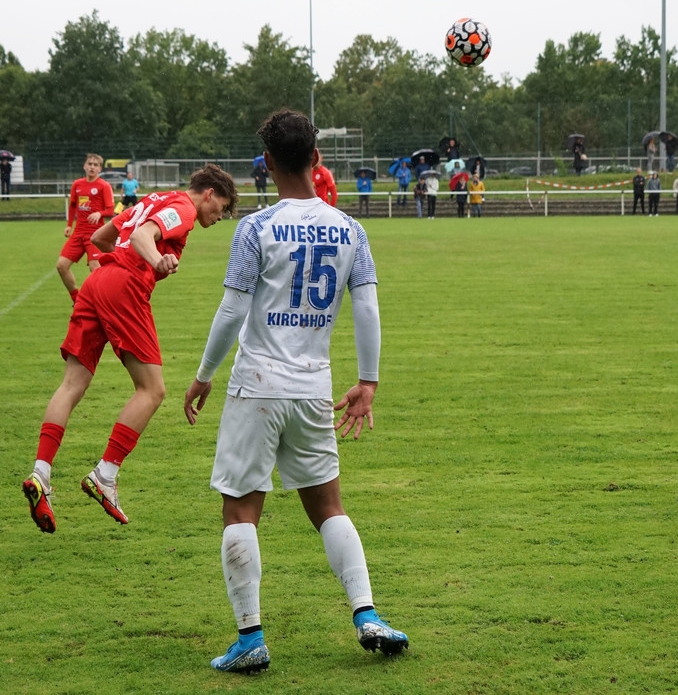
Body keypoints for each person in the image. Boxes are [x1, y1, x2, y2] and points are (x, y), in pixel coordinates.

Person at [182, 110, 408, 675]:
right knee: (328, 506)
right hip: (313, 389)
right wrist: (368, 381)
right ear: (316, 158)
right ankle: (367, 614)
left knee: (240, 508)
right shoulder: (351, 230)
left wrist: (204, 374)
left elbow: (232, 309)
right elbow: (367, 307)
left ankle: (250, 638)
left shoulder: (255, 228)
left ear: (267, 164)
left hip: (257, 385)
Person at [21, 164, 237, 534]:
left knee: (71, 384)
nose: (221, 216)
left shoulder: (154, 198)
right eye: (223, 208)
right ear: (209, 194)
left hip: (97, 283)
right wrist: (155, 260)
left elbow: (102, 237)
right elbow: (141, 236)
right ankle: (105, 475)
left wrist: (128, 264)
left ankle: (40, 473)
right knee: (152, 390)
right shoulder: (183, 208)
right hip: (124, 286)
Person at [58, 154, 115, 302]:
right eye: (90, 164)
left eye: (95, 165)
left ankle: (102, 302)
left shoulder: (104, 186)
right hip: (78, 233)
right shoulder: (77, 184)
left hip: (95, 234)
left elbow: (110, 210)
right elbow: (72, 206)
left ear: (100, 169)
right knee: (61, 266)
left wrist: (99, 213)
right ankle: (76, 300)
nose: (92, 167)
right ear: (84, 166)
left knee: (95, 268)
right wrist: (69, 225)